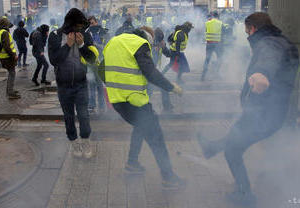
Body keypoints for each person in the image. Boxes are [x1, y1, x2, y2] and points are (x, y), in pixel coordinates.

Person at [197, 12, 299, 206]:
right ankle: (211, 147)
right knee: (236, 135)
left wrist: (262, 73)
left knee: (233, 151)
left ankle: (246, 196)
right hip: (267, 111)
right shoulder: (283, 40)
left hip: (265, 113)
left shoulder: (268, 42)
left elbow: (269, 57)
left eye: (247, 32)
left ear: (252, 28)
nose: (247, 36)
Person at [99, 28, 186, 190]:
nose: (150, 47)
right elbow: (150, 72)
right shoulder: (139, 43)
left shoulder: (113, 43)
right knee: (156, 138)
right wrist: (171, 87)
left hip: (118, 101)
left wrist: (115, 86)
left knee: (140, 127)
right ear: (146, 38)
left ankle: (132, 163)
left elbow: (101, 71)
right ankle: (169, 178)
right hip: (136, 102)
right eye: (150, 44)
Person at [48, 8, 98, 158]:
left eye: (81, 27)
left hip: (81, 83)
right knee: (68, 116)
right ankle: (74, 143)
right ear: (70, 24)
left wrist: (82, 45)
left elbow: (91, 59)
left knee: (84, 115)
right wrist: (67, 45)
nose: (79, 30)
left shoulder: (86, 35)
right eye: (77, 26)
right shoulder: (55, 35)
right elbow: (54, 60)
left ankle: (86, 142)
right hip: (63, 85)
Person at [87, 16, 108, 113]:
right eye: (89, 23)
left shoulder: (103, 32)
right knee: (91, 85)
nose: (91, 25)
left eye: (92, 22)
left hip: (100, 62)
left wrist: (96, 45)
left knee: (100, 85)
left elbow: (107, 46)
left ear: (96, 22)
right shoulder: (87, 33)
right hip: (90, 63)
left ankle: (102, 106)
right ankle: (91, 105)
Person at [0, 17, 20, 99]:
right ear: (5, 24)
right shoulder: (4, 33)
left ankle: (9, 90)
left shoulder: (0, 31)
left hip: (3, 56)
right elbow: (7, 46)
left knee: (11, 73)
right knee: (12, 74)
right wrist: (14, 55)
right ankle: (10, 92)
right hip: (8, 57)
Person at [201, 11, 223, 81]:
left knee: (207, 59)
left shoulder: (207, 23)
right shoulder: (220, 23)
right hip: (217, 44)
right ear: (218, 16)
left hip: (209, 43)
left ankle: (203, 76)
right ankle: (216, 73)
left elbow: (205, 31)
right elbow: (222, 34)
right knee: (220, 58)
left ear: (212, 15)